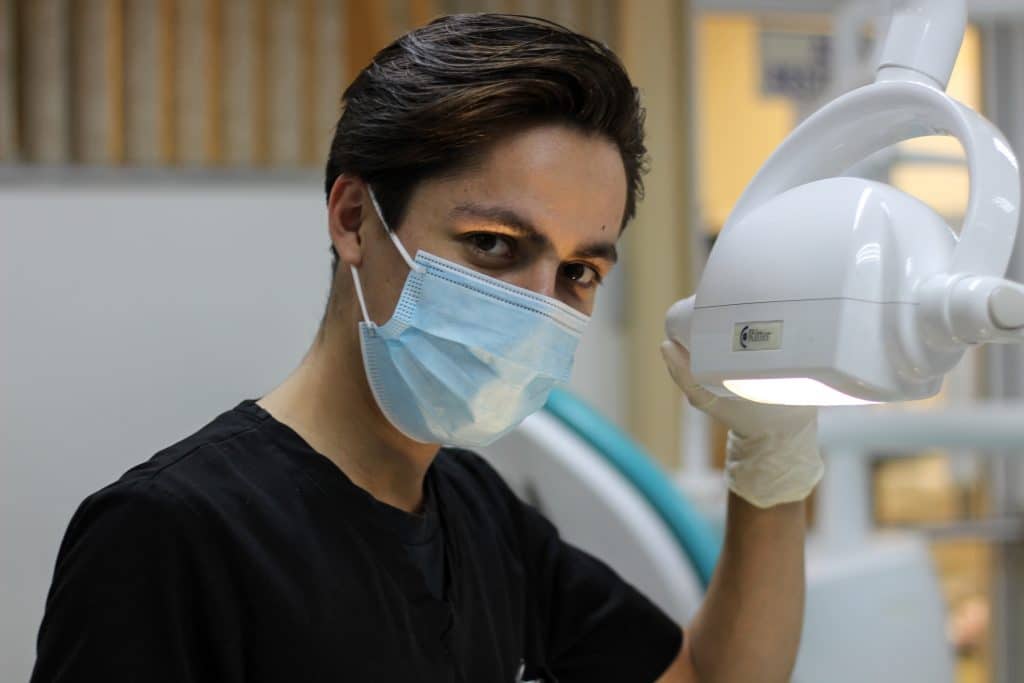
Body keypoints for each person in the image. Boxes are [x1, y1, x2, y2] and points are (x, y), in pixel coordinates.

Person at [31, 13, 822, 683]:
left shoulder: (481, 516)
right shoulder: (170, 534)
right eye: (493, 245)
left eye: (579, 270)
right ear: (352, 219)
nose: (536, 305)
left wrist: (772, 456)